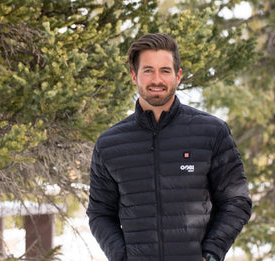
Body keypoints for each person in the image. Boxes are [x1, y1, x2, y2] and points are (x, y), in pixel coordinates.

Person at [86, 33, 252, 261]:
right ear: (134, 76)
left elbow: (236, 201)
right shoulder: (109, 144)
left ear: (178, 76)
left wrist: (211, 254)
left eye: (165, 70)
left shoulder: (212, 132)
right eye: (148, 70)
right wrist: (121, 256)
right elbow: (100, 213)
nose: (157, 79)